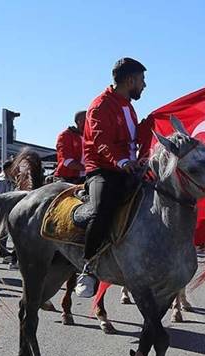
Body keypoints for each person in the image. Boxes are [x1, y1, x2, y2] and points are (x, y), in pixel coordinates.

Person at [75, 57, 152, 298]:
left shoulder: (128, 105)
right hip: (103, 169)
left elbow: (134, 136)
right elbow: (101, 143)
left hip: (128, 168)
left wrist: (154, 122)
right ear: (130, 80)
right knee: (102, 208)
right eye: (142, 80)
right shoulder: (100, 105)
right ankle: (87, 268)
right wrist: (122, 162)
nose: (144, 85)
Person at [0, 161, 16, 267]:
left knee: (2, 233)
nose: (15, 171)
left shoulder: (8, 180)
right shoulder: (2, 181)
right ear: (7, 169)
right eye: (13, 168)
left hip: (3, 210)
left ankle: (0, 251)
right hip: (0, 210)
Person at [54, 110, 87, 184]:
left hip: (87, 177)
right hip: (67, 178)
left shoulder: (91, 137)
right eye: (86, 120)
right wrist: (88, 168)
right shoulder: (65, 135)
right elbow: (67, 161)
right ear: (78, 121)